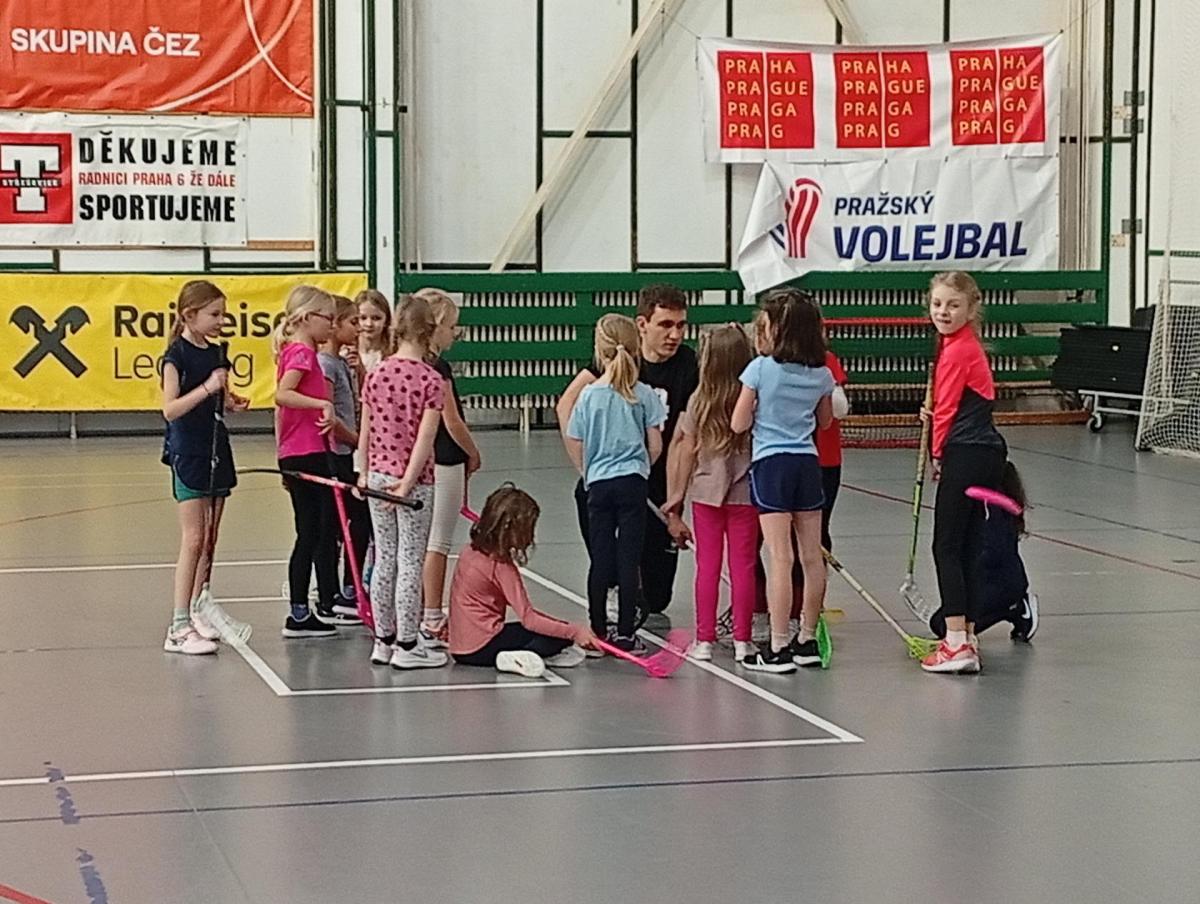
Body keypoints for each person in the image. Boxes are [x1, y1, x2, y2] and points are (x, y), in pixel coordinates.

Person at [556, 284, 698, 621]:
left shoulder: (688, 363)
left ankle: (634, 583)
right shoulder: (618, 357)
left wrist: (675, 502)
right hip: (611, 477)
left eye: (681, 325)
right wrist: (587, 469)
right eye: (666, 325)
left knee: (656, 599)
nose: (675, 335)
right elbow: (566, 405)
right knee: (590, 505)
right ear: (643, 325)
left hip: (655, 481)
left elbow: (681, 439)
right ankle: (612, 584)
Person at [732, 289, 834, 673]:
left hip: (771, 464)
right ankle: (806, 639)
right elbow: (825, 421)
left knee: (779, 556)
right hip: (807, 462)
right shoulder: (822, 373)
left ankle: (777, 646)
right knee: (811, 556)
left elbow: (738, 423)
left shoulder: (760, 369)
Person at [919, 270, 1008, 675]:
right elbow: (953, 404)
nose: (943, 311)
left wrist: (937, 453)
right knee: (969, 545)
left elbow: (949, 412)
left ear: (971, 310)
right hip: (986, 453)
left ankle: (954, 642)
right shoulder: (964, 346)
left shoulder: (956, 351)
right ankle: (968, 636)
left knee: (946, 546)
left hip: (966, 453)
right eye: (937, 304)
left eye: (953, 305)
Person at [564, 314, 667, 652]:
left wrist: (588, 471)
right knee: (628, 557)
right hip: (632, 482)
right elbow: (655, 445)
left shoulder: (588, 396)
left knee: (601, 557)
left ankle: (598, 629)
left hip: (599, 483)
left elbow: (576, 438)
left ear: (600, 350)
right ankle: (625, 632)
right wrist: (642, 467)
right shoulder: (644, 394)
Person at [357, 294, 446, 669]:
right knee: (410, 560)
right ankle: (407, 645)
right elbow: (425, 439)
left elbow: (365, 427)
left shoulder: (377, 373)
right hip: (414, 481)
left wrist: (362, 471)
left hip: (378, 476)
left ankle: (383, 640)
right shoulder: (431, 380)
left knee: (384, 557)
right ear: (429, 332)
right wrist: (409, 482)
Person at [160, 280, 249, 654]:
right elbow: (171, 409)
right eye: (214, 314)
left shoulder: (216, 355)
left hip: (216, 448)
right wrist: (208, 388)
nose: (221, 321)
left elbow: (218, 399)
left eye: (223, 314)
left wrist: (230, 400)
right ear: (189, 315)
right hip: (188, 452)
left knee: (210, 537)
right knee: (194, 538)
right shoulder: (175, 357)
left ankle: (199, 608)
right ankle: (178, 625)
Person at [663, 325, 758, 662]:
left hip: (706, 493)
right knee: (743, 567)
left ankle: (704, 640)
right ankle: (743, 639)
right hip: (744, 494)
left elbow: (687, 449)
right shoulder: (752, 399)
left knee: (707, 567)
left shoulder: (699, 400)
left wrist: (677, 495)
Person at [450, 484, 595, 677]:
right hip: (484, 646)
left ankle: (512, 654)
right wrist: (574, 632)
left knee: (552, 629)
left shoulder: (468, 552)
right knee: (556, 638)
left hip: (459, 649)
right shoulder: (501, 567)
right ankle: (512, 657)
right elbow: (529, 618)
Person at [274, 285, 346, 638]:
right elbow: (283, 395)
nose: (331, 326)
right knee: (311, 533)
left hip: (300, 450)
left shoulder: (296, 352)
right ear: (306, 318)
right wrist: (322, 405)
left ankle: (306, 608)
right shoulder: (302, 353)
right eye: (327, 318)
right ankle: (299, 612)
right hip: (307, 452)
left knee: (313, 531)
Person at [415, 288, 483, 650]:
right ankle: (431, 616)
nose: (455, 333)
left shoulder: (404, 363)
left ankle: (411, 612)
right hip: (444, 458)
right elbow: (451, 420)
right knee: (437, 541)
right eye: (452, 326)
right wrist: (473, 452)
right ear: (435, 327)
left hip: (415, 460)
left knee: (415, 540)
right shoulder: (438, 368)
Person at [929, 461, 1039, 643]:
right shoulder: (988, 499)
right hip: (989, 579)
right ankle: (1011, 607)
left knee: (944, 625)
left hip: (999, 583)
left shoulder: (989, 504)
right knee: (940, 621)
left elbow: (993, 550)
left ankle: (1016, 606)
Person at [318, 294, 367, 623]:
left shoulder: (343, 364)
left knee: (359, 521)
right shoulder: (326, 365)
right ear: (334, 325)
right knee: (333, 528)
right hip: (335, 455)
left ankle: (350, 586)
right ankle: (330, 594)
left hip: (348, 453)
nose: (359, 328)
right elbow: (328, 418)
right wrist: (359, 440)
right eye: (353, 321)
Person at [356, 288, 394, 374]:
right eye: (363, 318)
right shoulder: (346, 353)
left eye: (376, 318)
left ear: (386, 320)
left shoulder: (394, 354)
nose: (369, 324)